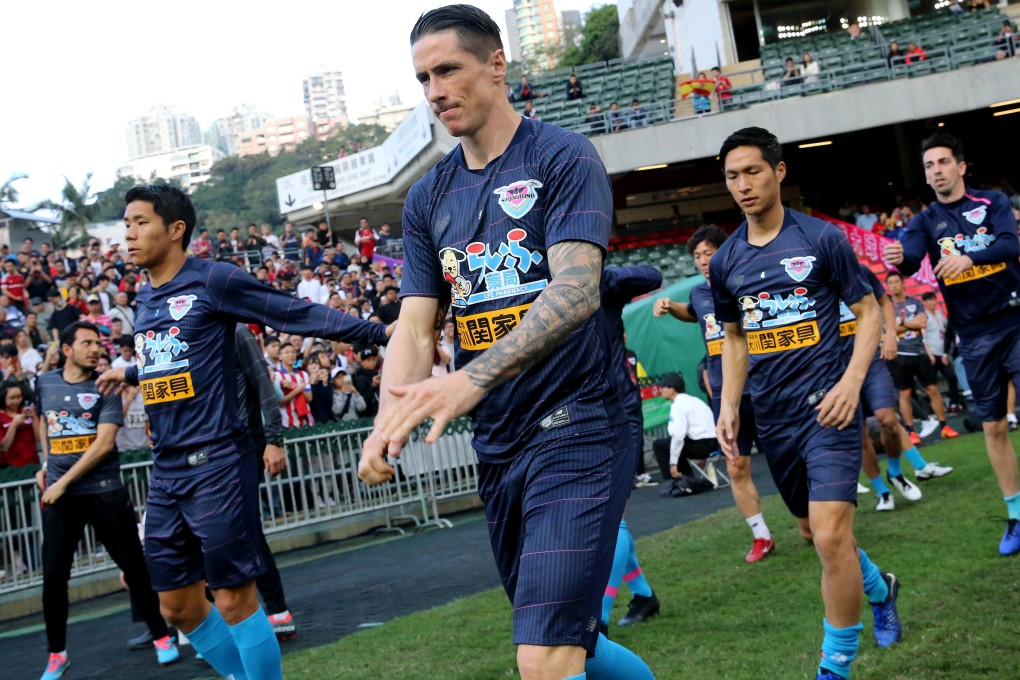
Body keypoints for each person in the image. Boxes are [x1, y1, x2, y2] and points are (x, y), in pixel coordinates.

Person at [358, 6, 654, 680]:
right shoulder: (427, 197)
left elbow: (577, 291)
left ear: (496, 64)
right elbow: (414, 325)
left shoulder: (563, 156)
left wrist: (471, 379)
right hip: (500, 440)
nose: (434, 91)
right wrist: (388, 419)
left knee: (544, 657)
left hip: (580, 424)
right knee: (566, 640)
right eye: (423, 77)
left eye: (448, 70)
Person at [94, 184, 390, 680]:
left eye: (140, 222)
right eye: (126, 223)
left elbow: (294, 311)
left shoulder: (214, 281)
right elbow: (167, 367)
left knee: (233, 597)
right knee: (177, 608)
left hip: (219, 463)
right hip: (166, 472)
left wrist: (380, 332)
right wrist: (126, 374)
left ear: (175, 229)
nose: (129, 233)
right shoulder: (145, 300)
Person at [710, 127, 901, 680]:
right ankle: (880, 586)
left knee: (833, 534)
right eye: (732, 176)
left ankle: (834, 667)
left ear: (779, 171)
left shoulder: (821, 239)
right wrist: (729, 405)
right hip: (774, 416)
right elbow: (736, 337)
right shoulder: (726, 262)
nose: (742, 185)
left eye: (752, 171)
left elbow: (867, 312)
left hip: (830, 409)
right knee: (814, 532)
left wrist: (851, 382)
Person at [884, 132, 1020, 555]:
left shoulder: (991, 202)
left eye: (943, 162)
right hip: (974, 334)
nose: (936, 170)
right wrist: (897, 259)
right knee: (994, 426)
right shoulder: (924, 222)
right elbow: (908, 258)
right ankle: (1016, 516)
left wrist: (970, 258)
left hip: (1015, 319)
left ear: (961, 166)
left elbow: (1011, 244)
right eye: (929, 166)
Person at [35, 322, 178, 679]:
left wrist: (62, 482)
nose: (95, 349)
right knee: (53, 577)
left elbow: (103, 445)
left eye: (98, 343)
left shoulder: (108, 385)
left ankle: (162, 636)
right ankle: (57, 654)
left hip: (103, 491)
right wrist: (45, 462)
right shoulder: (44, 382)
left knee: (134, 566)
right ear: (66, 349)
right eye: (86, 343)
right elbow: (44, 421)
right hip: (60, 493)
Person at [653, 224, 776, 562]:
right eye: (697, 256)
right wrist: (668, 304)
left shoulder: (747, 282)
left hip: (765, 382)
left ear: (725, 252)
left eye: (709, 253)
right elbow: (693, 313)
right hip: (725, 394)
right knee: (736, 465)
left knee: (786, 457)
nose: (704, 260)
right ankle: (761, 535)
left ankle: (812, 518)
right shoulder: (698, 294)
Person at [838, 264, 952, 513]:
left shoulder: (857, 271)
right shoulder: (806, 279)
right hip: (838, 369)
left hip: (872, 360)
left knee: (888, 419)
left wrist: (889, 333)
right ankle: (883, 492)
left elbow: (885, 303)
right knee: (860, 434)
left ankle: (896, 472)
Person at [598, 266, 663, 634]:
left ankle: (599, 619)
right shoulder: (542, 290)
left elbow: (650, 276)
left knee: (610, 520)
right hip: (579, 417)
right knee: (604, 518)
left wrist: (598, 272)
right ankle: (643, 595)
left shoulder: (598, 281)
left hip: (617, 414)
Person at [233, 324, 295, 640]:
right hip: (208, 446)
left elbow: (263, 386)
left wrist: (274, 439)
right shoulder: (185, 335)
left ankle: (276, 610)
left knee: (247, 530)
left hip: (243, 443)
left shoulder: (236, 332)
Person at [883, 271, 957, 442]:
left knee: (932, 389)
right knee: (905, 394)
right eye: (890, 283)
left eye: (896, 282)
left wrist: (900, 323)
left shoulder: (914, 302)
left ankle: (944, 425)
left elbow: (922, 323)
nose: (894, 285)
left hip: (919, 352)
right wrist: (909, 324)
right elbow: (889, 330)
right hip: (899, 354)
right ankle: (911, 431)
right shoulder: (887, 308)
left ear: (903, 284)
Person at [651, 372, 718, 487]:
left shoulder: (678, 405)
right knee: (673, 442)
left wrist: (673, 464)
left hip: (701, 446)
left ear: (672, 389)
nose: (661, 390)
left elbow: (678, 436)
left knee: (660, 444)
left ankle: (677, 480)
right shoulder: (695, 400)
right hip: (715, 445)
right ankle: (687, 478)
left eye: (664, 387)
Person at [921, 291, 963, 410]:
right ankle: (936, 407)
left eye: (934, 299)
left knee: (951, 376)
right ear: (924, 302)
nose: (932, 302)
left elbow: (947, 330)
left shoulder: (939, 314)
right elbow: (923, 337)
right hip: (931, 353)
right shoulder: (924, 317)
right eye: (929, 300)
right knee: (931, 383)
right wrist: (929, 354)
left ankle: (954, 402)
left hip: (942, 353)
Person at [0, 382, 37, 468]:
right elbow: (4, 447)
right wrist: (14, 424)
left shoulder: (26, 413)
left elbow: (39, 438)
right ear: (3, 398)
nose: (17, 401)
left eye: (19, 397)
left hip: (32, 463)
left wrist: (34, 417)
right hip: (9, 466)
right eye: (12, 398)